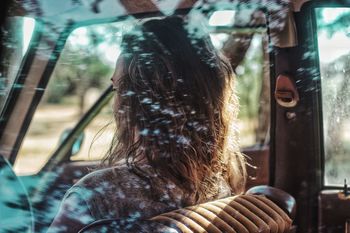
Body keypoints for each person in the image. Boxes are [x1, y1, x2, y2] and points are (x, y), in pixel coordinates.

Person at [48, 16, 246, 233]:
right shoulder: (220, 188)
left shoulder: (96, 196)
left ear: (141, 103)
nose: (115, 103)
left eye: (119, 89)